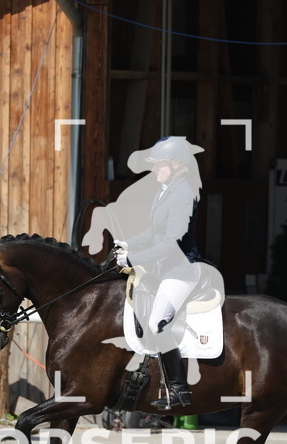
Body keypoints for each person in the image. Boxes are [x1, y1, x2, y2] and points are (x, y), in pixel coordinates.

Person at [84, 135, 207, 408]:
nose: (154, 169)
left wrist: (134, 257)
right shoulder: (166, 191)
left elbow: (171, 242)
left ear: (175, 164)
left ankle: (178, 391)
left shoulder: (184, 194)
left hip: (180, 269)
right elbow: (154, 232)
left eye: (158, 164)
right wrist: (128, 243)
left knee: (156, 322)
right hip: (163, 269)